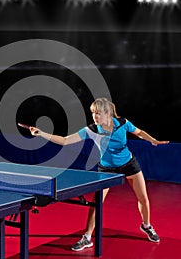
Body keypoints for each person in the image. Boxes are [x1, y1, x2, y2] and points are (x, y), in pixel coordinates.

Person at [29, 97, 169, 251]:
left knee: (143, 198)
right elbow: (65, 141)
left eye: (98, 113)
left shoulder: (122, 123)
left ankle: (146, 225)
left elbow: (139, 132)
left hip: (129, 164)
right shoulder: (92, 130)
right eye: (93, 113)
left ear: (108, 113)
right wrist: (42, 133)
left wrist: (152, 140)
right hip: (106, 168)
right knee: (96, 204)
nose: (95, 117)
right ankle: (87, 237)